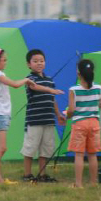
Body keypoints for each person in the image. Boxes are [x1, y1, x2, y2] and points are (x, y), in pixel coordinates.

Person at [0, 46, 34, 185]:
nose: (5, 62)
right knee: (2, 148)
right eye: (4, 60)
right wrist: (27, 80)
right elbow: (16, 85)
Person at [20, 49, 65, 183]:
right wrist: (50, 90)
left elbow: (52, 99)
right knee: (30, 147)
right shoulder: (29, 79)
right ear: (29, 64)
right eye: (35, 61)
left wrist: (58, 114)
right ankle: (27, 174)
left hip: (48, 119)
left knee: (46, 148)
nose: (39, 63)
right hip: (34, 120)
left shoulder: (50, 80)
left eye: (41, 61)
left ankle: (42, 174)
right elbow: (34, 87)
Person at [62, 59, 101, 188]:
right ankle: (93, 182)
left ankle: (79, 184)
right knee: (92, 155)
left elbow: (72, 110)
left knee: (79, 155)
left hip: (79, 124)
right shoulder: (98, 88)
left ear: (78, 73)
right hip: (94, 123)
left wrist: (67, 116)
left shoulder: (73, 90)